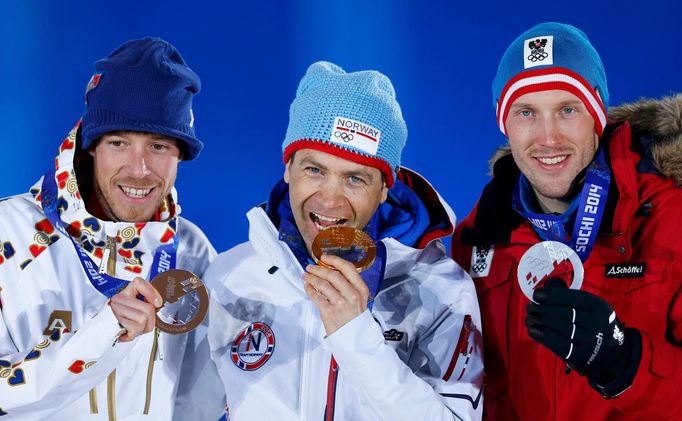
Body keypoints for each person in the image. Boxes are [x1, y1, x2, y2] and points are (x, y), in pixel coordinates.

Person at [175, 61, 483, 420]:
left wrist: (356, 335)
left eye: (355, 179)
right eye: (314, 170)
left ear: (385, 188)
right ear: (288, 168)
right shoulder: (230, 276)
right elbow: (190, 412)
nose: (330, 200)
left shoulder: (439, 289)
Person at [452, 22, 682, 420]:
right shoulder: (475, 242)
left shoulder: (670, 217)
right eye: (527, 112)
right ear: (505, 124)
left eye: (567, 110)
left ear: (597, 117)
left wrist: (625, 364)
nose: (548, 138)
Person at [0, 38, 216, 420]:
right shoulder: (8, 233)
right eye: (119, 143)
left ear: (180, 155)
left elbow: (208, 395)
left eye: (159, 146)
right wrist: (102, 333)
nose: (139, 169)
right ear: (91, 146)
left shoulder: (193, 251)